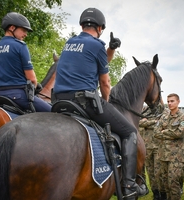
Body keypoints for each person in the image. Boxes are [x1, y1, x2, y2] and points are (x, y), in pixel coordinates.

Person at [52, 8, 148, 199]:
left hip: (59, 101)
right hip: (85, 102)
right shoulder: (96, 45)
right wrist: (106, 103)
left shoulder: (69, 43)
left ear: (82, 25)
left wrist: (111, 49)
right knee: (129, 132)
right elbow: (105, 83)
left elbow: (99, 58)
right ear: (101, 28)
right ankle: (129, 185)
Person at [0, 12, 51, 112]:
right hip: (17, 96)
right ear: (12, 28)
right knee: (56, 114)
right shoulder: (20, 46)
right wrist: (34, 88)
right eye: (23, 30)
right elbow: (32, 79)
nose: (25, 34)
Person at [154, 93, 184, 200]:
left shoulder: (183, 117)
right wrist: (170, 133)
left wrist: (164, 132)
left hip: (176, 157)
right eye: (168, 101)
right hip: (163, 155)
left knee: (173, 182)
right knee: (164, 182)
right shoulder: (164, 116)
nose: (169, 103)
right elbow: (155, 132)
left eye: (172, 101)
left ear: (178, 102)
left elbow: (180, 133)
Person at [139, 101, 167, 200]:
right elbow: (140, 122)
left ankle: (163, 192)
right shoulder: (144, 111)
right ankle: (156, 193)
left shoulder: (163, 111)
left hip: (159, 146)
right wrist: (155, 122)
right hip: (147, 147)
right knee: (150, 172)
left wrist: (147, 123)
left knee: (159, 172)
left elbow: (164, 124)